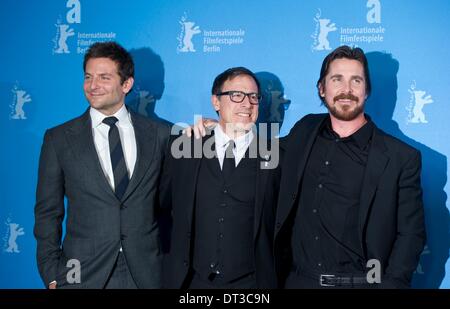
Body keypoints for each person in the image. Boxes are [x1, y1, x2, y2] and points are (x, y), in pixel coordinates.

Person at [274, 45, 426, 288]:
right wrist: (215, 130)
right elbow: (257, 150)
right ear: (322, 89)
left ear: (367, 90)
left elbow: (411, 235)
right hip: (296, 281)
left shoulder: (401, 158)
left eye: (356, 80)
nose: (347, 90)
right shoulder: (305, 129)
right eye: (337, 79)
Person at [34, 41, 170, 289]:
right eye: (88, 77)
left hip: (147, 273)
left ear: (126, 84)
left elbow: (174, 204)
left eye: (104, 77)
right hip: (80, 274)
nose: (93, 86)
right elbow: (47, 212)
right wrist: (52, 274)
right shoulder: (58, 139)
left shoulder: (161, 134)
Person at [161, 67, 281, 288]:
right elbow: (162, 208)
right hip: (193, 282)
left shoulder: (276, 155)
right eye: (237, 95)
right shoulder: (185, 147)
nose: (247, 104)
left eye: (254, 97)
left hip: (251, 285)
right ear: (216, 102)